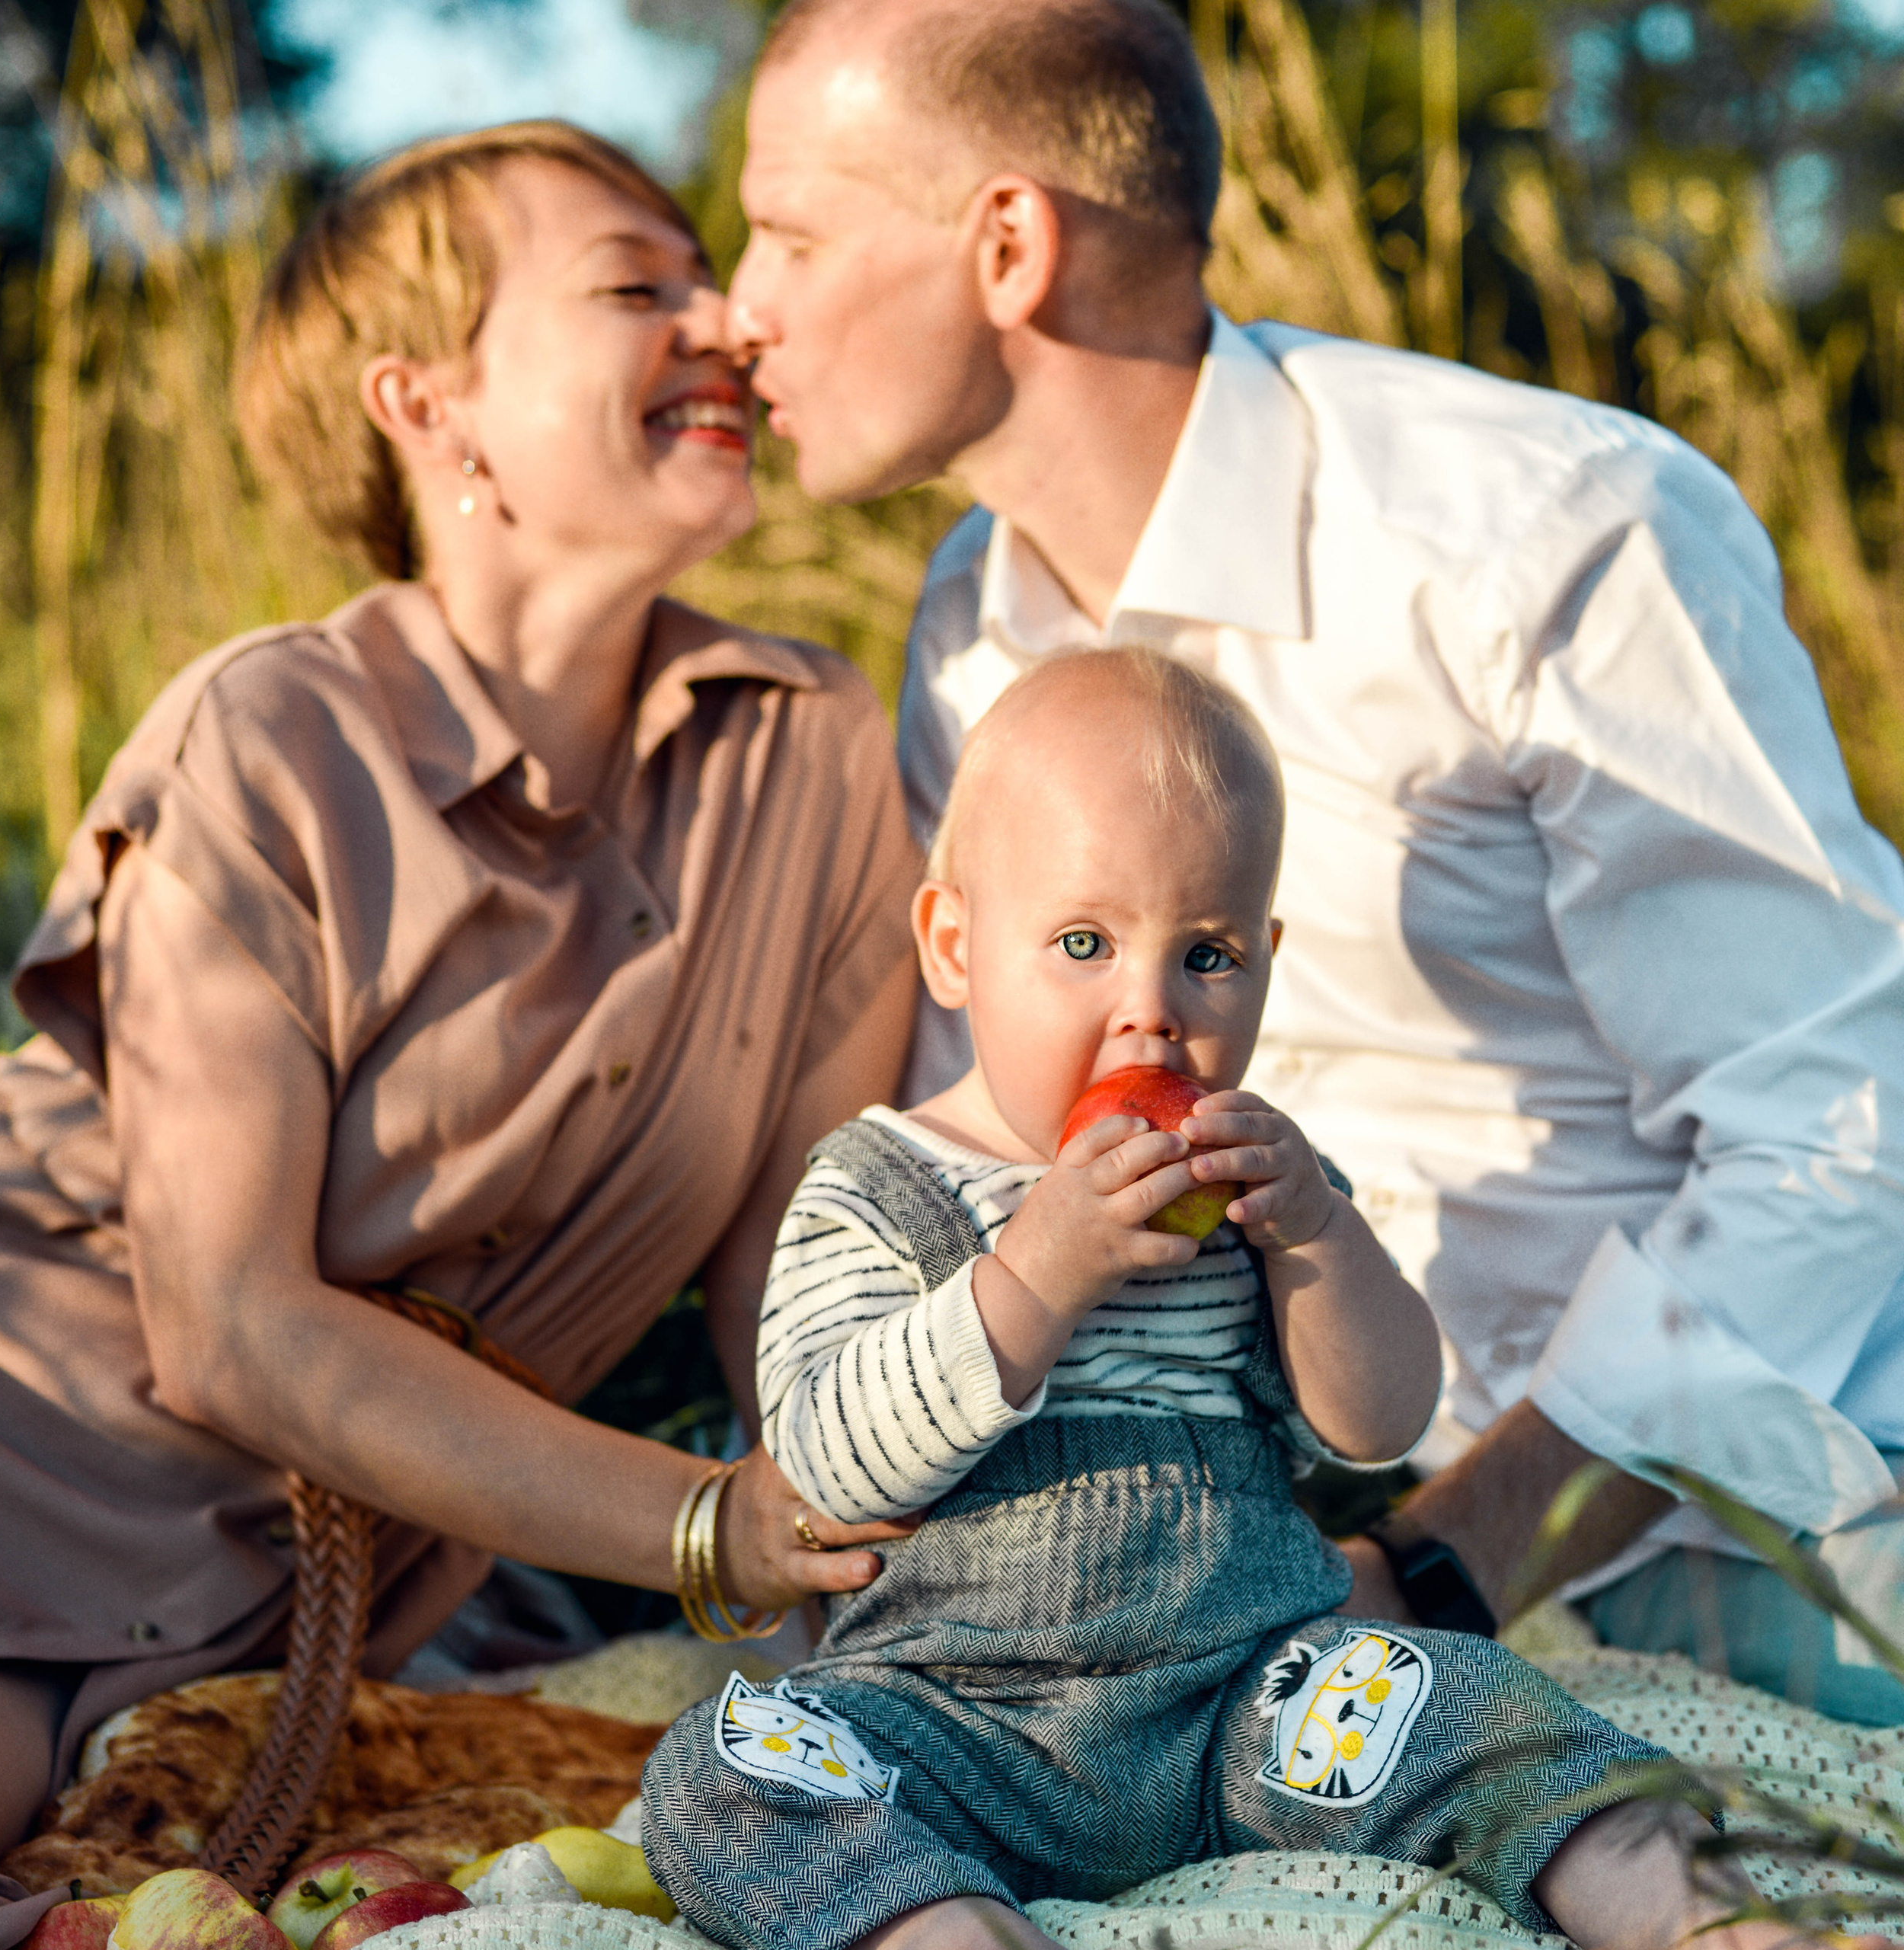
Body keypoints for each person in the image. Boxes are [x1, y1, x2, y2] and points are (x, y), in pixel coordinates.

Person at [722, 0, 1904, 1720]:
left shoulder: (1536, 525)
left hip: (1708, 1527)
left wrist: (1440, 1557)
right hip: (1218, 1542)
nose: (735, 306)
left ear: (1005, 243)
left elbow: (1842, 1115)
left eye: (791, 233)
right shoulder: (973, 625)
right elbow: (972, 1124)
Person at [0, 120, 923, 1938]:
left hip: (308, 1592)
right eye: (637, 284)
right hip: (4, 1425)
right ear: (429, 402)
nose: (723, 319)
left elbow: (797, 1286)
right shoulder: (267, 738)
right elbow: (230, 1321)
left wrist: (882, 1578)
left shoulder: (812, 753)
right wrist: (710, 1525)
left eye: (702, 273)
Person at [639, 650, 1874, 1950]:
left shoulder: (1256, 1191)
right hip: (952, 1725)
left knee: (1475, 1705)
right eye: (1081, 944)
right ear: (954, 947)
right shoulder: (877, 1185)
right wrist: (1031, 1277)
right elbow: (830, 1459)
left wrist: (1317, 1237)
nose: (1150, 1015)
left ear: (1267, 960)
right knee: (725, 1774)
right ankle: (948, 1931)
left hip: (1254, 1708)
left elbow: (1381, 1419)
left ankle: (1713, 1921)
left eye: (1207, 955)